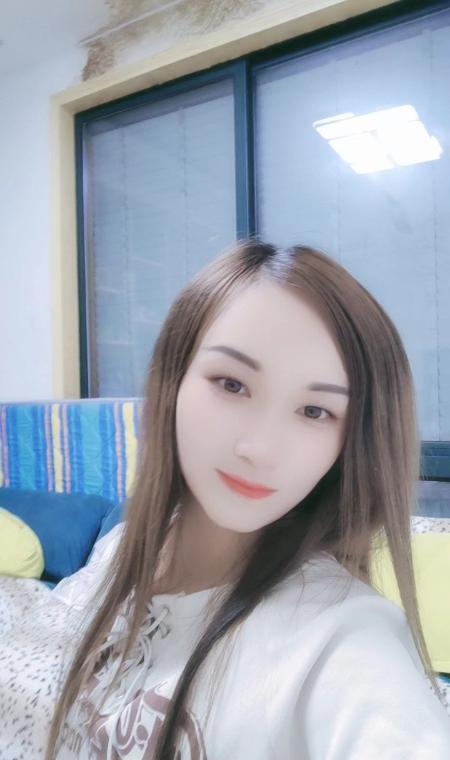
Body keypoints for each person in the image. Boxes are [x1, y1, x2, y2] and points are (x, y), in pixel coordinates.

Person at [9, 239, 450, 759]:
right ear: (173, 381)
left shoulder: (342, 639)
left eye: (314, 411)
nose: (258, 449)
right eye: (232, 384)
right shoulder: (120, 549)